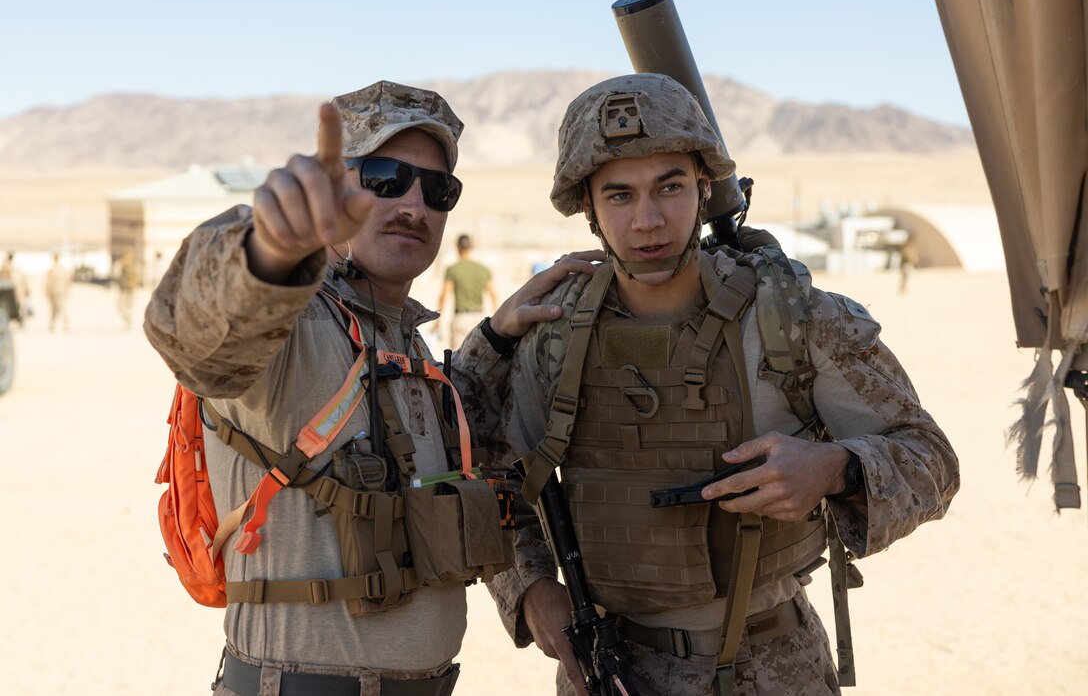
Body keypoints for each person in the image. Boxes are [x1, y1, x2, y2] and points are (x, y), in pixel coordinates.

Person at [479, 74, 960, 695]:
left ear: (704, 190)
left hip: (777, 665)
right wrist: (530, 587)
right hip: (612, 669)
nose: (647, 220)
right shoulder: (554, 336)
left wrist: (835, 468)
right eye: (619, 195)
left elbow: (933, 461)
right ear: (590, 210)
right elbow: (489, 471)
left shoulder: (792, 315)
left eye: (670, 187)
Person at [144, 80, 595, 696]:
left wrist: (495, 331)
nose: (414, 203)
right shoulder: (292, 329)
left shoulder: (397, 339)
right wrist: (269, 248)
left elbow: (430, 435)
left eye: (438, 190)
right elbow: (197, 337)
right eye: (385, 176)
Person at [436, 234, 498, 349]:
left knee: (458, 360)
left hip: (460, 319)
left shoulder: (452, 269)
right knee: (477, 356)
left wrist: (438, 321)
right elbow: (493, 295)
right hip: (479, 318)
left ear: (457, 246)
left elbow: (444, 295)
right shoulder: (483, 269)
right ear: (472, 246)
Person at [44, 252, 71, 332]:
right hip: (61, 292)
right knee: (60, 309)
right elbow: (67, 282)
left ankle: (53, 325)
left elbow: (49, 283)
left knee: (54, 309)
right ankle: (62, 325)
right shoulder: (62, 269)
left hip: (55, 292)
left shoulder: (52, 270)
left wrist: (47, 292)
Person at [113, 249, 139, 328]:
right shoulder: (134, 264)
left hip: (124, 289)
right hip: (130, 289)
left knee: (121, 307)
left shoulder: (122, 264)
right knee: (126, 307)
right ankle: (127, 320)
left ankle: (127, 320)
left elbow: (115, 275)